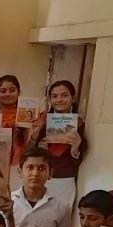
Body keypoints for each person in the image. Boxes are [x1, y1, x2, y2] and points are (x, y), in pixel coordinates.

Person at [9, 148, 72, 227]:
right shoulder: (7, 202)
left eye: (42, 168)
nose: (35, 173)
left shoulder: (62, 207)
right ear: (19, 172)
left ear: (50, 174)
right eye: (30, 167)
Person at [36, 80, 85, 209]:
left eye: (64, 95)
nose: (59, 99)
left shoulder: (80, 125)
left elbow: (81, 156)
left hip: (65, 179)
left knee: (62, 219)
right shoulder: (42, 123)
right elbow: (30, 152)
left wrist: (75, 148)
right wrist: (40, 149)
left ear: (73, 98)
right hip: (40, 177)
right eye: (54, 96)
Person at [0, 74, 39, 168]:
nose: (7, 94)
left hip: (20, 166)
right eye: (3, 91)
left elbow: (31, 148)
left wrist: (35, 134)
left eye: (12, 90)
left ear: (19, 93)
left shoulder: (27, 116)